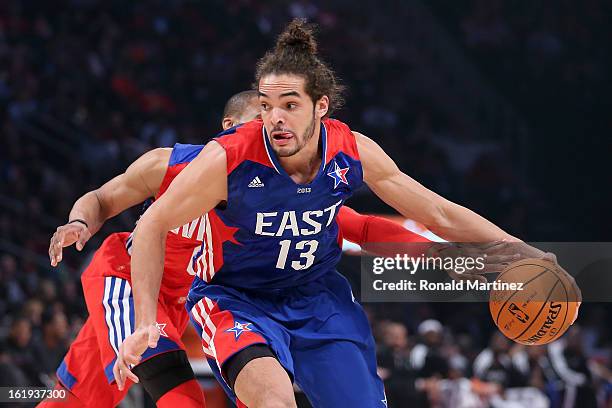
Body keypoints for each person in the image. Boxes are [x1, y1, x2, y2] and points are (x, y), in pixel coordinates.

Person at [116, 19, 558, 408]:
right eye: (267, 107)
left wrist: (519, 251)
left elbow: (438, 212)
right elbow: (152, 222)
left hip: (318, 299)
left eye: (290, 105)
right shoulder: (226, 159)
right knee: (274, 402)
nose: (275, 120)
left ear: (320, 106)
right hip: (237, 301)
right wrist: (143, 323)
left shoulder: (352, 151)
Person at [42, 90, 428, 407]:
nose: (272, 139)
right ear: (228, 128)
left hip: (187, 303)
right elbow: (101, 199)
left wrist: (452, 261)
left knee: (76, 396)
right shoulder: (168, 165)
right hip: (127, 282)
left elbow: (356, 224)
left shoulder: (278, 192)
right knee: (181, 397)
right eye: (259, 127)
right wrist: (78, 223)